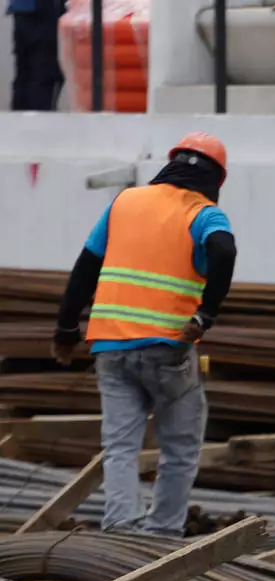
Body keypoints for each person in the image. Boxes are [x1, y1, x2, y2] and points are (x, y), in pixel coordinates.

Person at [52, 133, 237, 537]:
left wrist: (66, 327)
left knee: (120, 447)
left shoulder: (125, 202)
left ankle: (120, 528)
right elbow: (224, 251)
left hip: (111, 347)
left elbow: (85, 266)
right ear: (217, 178)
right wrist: (205, 316)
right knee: (179, 450)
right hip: (168, 348)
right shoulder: (204, 213)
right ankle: (162, 535)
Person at [7, 0, 64, 111]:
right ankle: (38, 119)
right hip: (45, 10)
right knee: (44, 71)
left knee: (24, 71)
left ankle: (20, 118)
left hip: (22, 8)